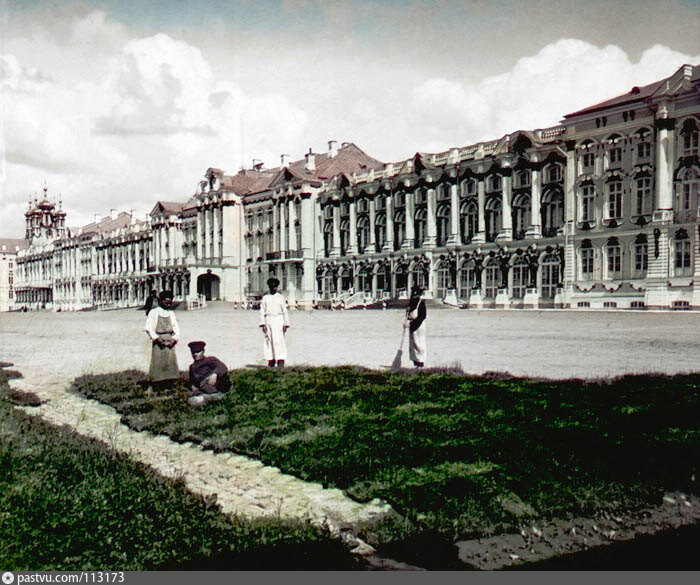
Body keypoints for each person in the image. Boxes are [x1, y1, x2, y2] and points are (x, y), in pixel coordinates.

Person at [144, 290, 180, 385]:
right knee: (158, 361)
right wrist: (157, 339)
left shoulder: (171, 313)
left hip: (170, 339)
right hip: (159, 340)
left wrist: (174, 339)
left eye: (170, 302)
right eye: (166, 302)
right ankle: (157, 382)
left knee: (170, 361)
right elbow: (149, 328)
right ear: (161, 301)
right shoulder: (154, 312)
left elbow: (176, 327)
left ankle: (171, 381)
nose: (168, 304)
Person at [187, 341, 231, 406]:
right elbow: (191, 381)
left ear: (203, 351)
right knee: (191, 401)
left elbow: (222, 367)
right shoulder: (192, 367)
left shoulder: (210, 360)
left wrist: (214, 374)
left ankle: (216, 397)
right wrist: (193, 387)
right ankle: (209, 398)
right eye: (193, 352)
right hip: (202, 388)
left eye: (198, 352)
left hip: (215, 385)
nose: (195, 354)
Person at [259, 277, 289, 367]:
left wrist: (286, 324)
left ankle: (280, 360)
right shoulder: (265, 298)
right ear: (269, 287)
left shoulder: (281, 298)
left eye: (275, 286)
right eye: (271, 287)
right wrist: (263, 324)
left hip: (279, 320)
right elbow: (262, 311)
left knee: (279, 341)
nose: (273, 288)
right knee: (269, 340)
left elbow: (285, 311)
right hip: (268, 320)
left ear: (277, 287)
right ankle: (271, 360)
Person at [406, 286, 427, 368]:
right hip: (412, 325)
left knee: (419, 343)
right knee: (413, 344)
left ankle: (420, 362)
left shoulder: (421, 303)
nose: (414, 296)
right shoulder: (412, 303)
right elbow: (409, 314)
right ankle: (415, 362)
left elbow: (422, 316)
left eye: (416, 294)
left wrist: (414, 325)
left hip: (419, 326)